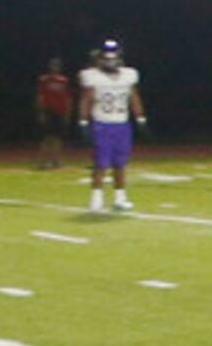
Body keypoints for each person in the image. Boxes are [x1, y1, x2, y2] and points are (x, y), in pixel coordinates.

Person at [77, 38, 145, 214]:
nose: (110, 61)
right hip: (102, 124)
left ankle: (120, 198)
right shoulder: (92, 76)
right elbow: (86, 99)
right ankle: (95, 200)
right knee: (101, 164)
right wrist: (83, 121)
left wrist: (140, 118)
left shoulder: (128, 75)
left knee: (120, 164)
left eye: (113, 57)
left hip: (122, 124)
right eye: (106, 58)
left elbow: (133, 97)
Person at [32, 58, 70, 169]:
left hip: (60, 112)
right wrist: (41, 111)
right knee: (46, 138)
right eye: (53, 65)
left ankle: (55, 162)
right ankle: (42, 162)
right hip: (48, 111)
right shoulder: (44, 80)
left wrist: (67, 112)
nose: (55, 68)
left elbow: (67, 97)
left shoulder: (63, 81)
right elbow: (40, 96)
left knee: (58, 138)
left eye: (57, 66)